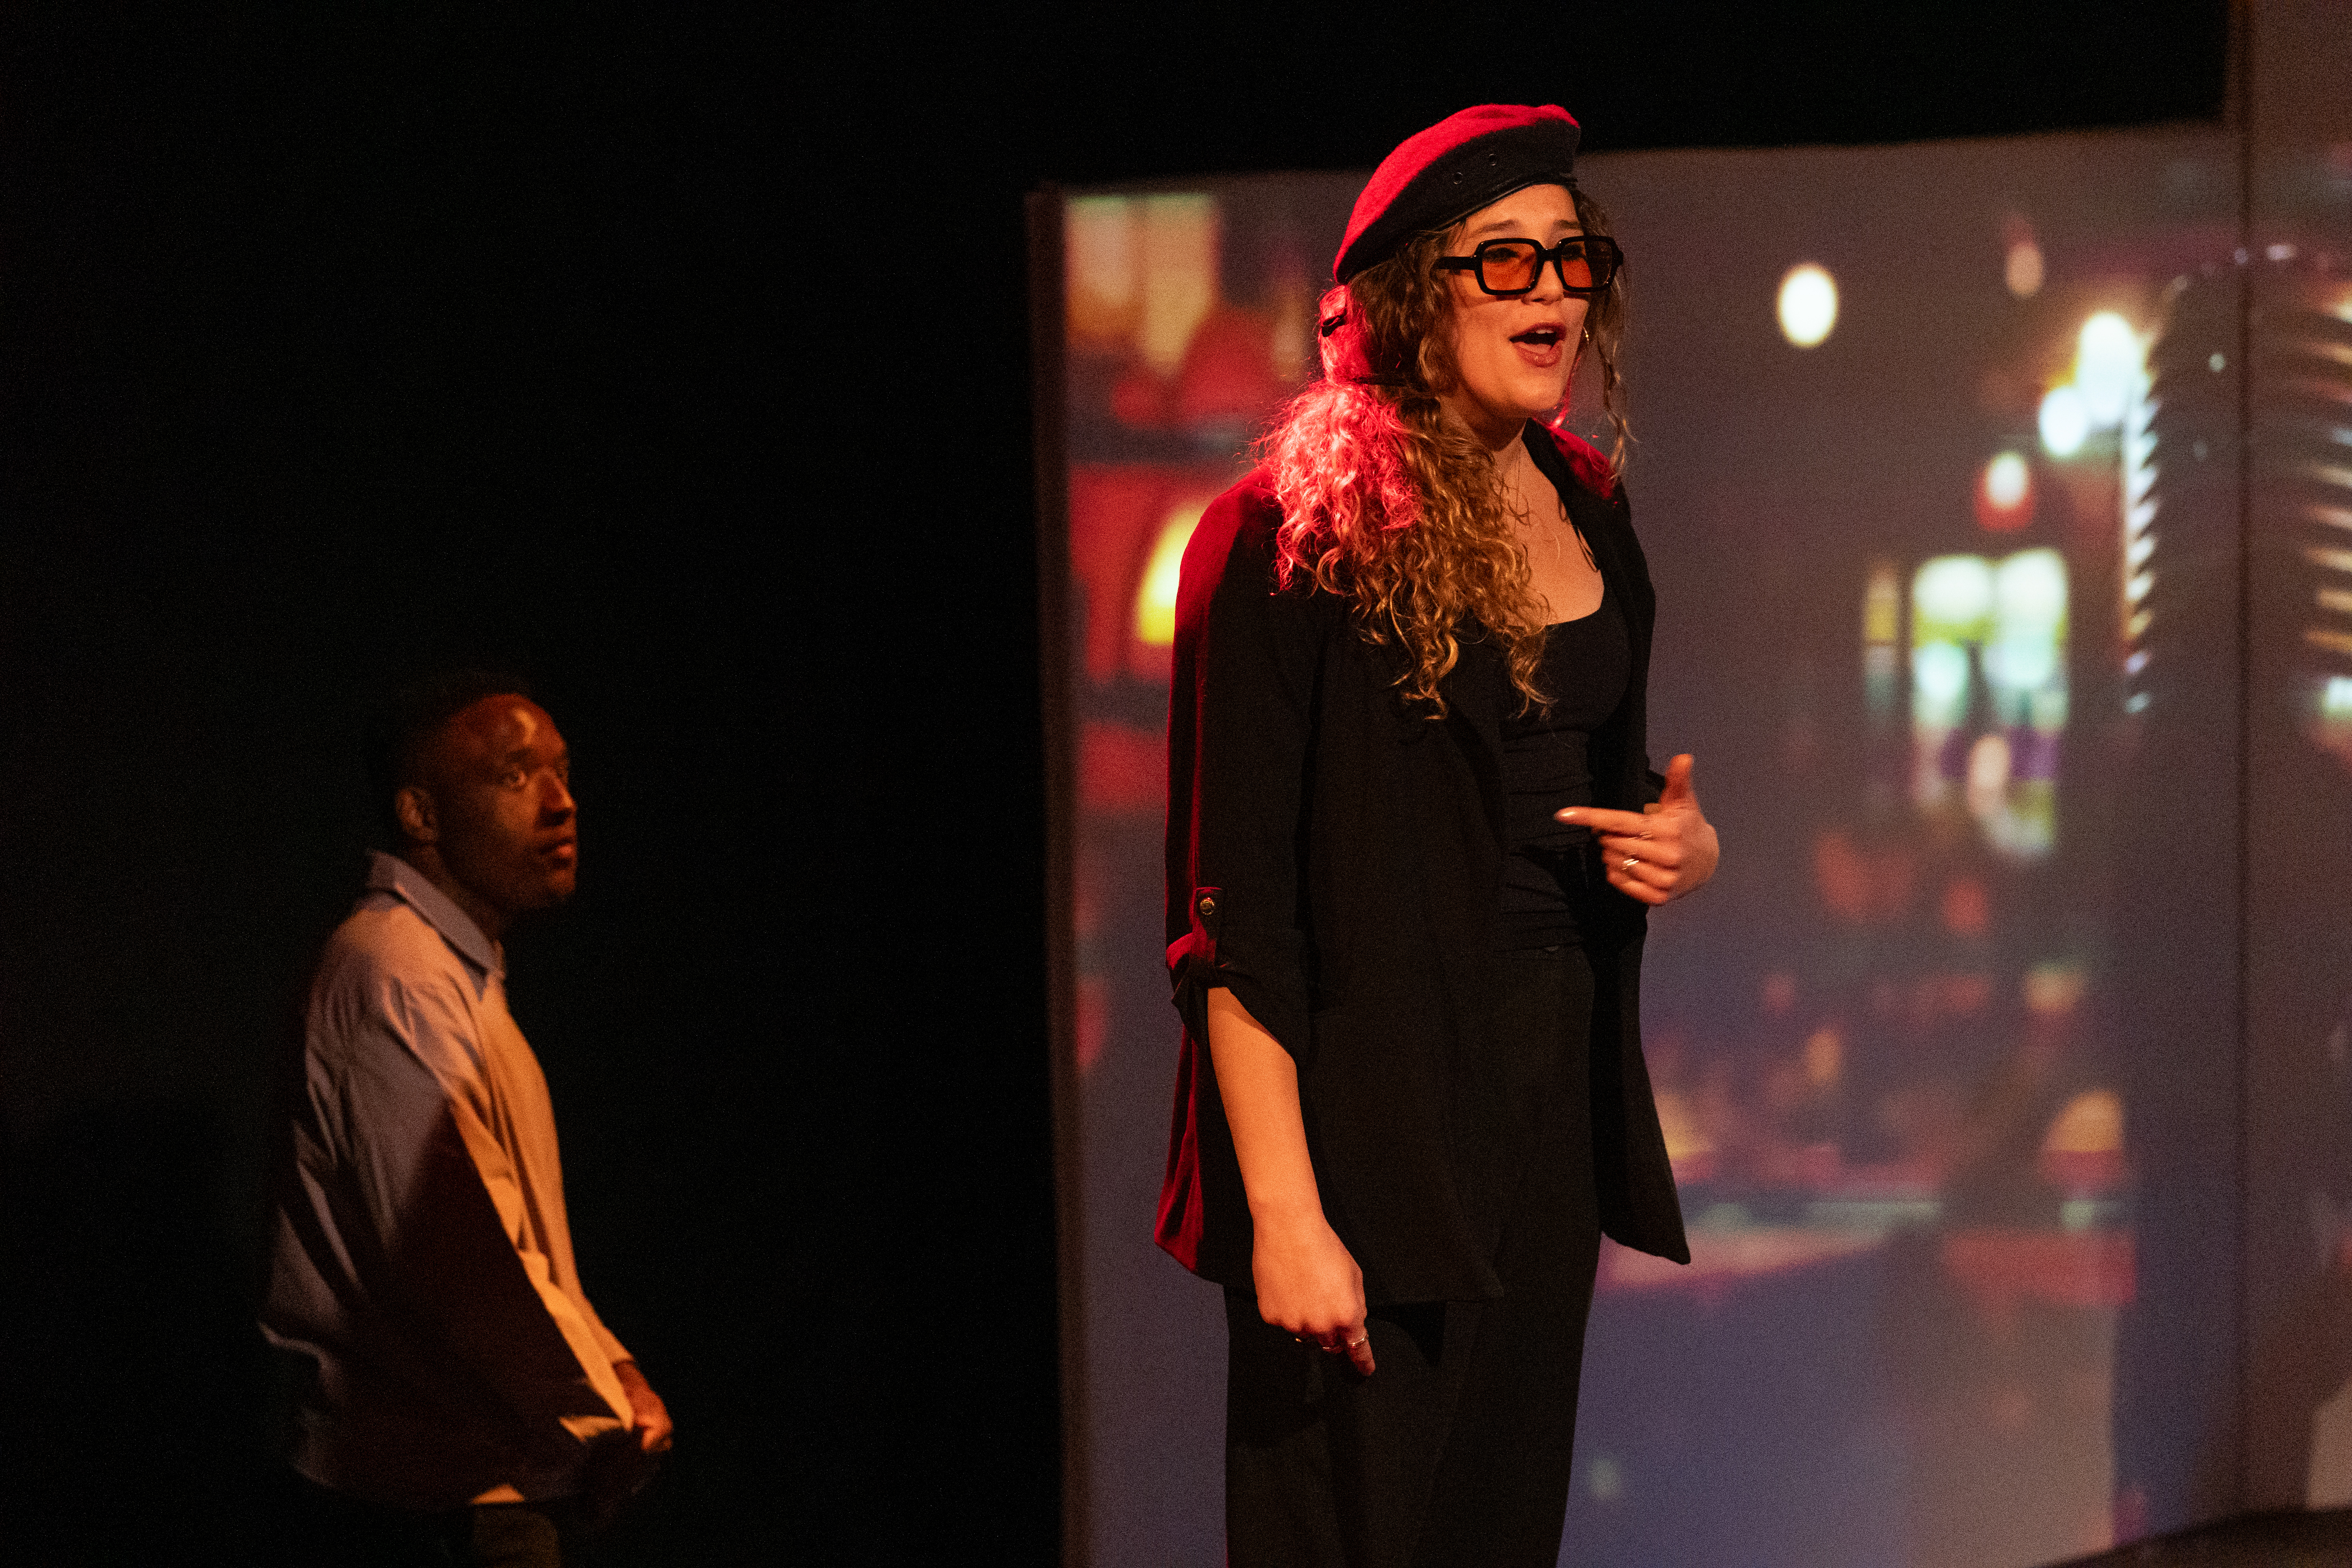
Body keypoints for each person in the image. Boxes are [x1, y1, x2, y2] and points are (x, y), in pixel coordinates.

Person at [1157, 105, 1719, 1566]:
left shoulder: (1588, 506)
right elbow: (1233, 925)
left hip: (1546, 1099)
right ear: (1414, 291)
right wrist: (1286, 1215)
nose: (1555, 291)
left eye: (1573, 257)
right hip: (1370, 1128)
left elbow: (1593, 784)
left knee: (1500, 1529)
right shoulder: (1284, 541)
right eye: (1506, 259)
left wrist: (1680, 848)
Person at [261, 672, 671, 1568]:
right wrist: (606, 1423)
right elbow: (465, 1260)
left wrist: (615, 1370)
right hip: (429, 1506)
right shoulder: (396, 972)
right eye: (516, 776)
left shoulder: (456, 978)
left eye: (564, 773)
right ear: (421, 814)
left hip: (470, 1487)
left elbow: (512, 1247)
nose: (561, 803)